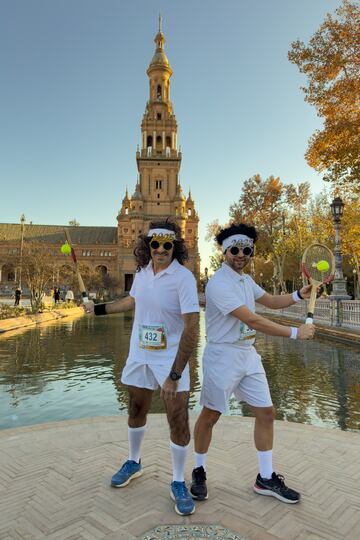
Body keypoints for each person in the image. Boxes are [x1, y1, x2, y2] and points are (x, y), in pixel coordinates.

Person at [190, 223, 315, 505]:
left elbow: (269, 301)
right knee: (211, 416)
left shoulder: (246, 281)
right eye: (235, 249)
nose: (241, 254)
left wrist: (298, 295)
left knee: (267, 412)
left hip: (248, 354)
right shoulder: (219, 283)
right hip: (222, 356)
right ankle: (198, 471)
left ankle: (265, 478)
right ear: (224, 252)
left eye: (246, 250)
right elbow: (252, 319)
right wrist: (295, 333)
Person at [84, 219, 200, 516]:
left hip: (170, 358)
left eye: (167, 244)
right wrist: (97, 309)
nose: (160, 249)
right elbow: (130, 302)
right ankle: (134, 461)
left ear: (175, 246)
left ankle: (177, 480)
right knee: (136, 408)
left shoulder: (183, 278)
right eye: (155, 243)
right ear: (147, 246)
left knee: (177, 418)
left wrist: (175, 374)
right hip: (140, 354)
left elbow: (192, 327)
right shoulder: (142, 273)